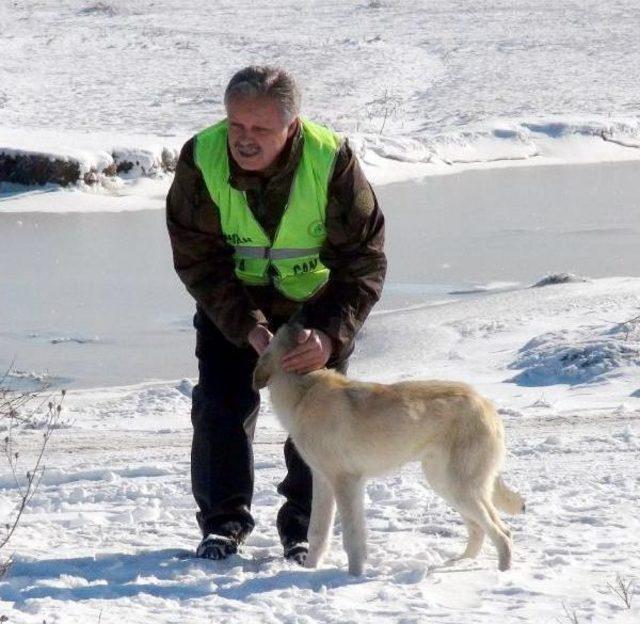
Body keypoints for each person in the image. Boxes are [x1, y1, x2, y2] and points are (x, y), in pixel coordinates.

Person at [166, 66, 386, 563]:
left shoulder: (331, 161)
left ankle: (304, 528)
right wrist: (246, 325)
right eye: (237, 126)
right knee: (221, 405)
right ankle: (223, 523)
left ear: (292, 125)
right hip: (234, 302)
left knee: (319, 419)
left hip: (316, 310)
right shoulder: (201, 157)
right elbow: (196, 258)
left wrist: (330, 335)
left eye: (260, 129)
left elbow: (365, 260)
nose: (244, 139)